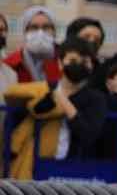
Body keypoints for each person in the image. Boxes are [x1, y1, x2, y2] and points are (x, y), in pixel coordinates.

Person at [4, 36, 107, 179]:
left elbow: (88, 134)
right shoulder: (41, 90)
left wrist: (63, 103)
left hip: (76, 173)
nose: (78, 65)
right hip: (35, 168)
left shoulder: (96, 99)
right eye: (72, 60)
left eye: (85, 61)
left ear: (92, 65)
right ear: (60, 63)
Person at [4, 6, 61, 86]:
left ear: (54, 31)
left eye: (46, 27)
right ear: (25, 31)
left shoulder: (64, 61)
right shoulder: (10, 64)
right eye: (34, 27)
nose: (40, 33)